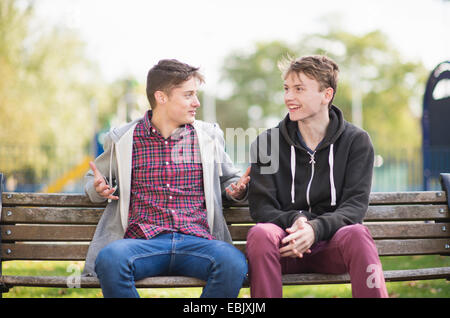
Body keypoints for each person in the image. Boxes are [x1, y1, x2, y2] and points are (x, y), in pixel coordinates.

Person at [83, 59, 249, 298]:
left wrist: (235, 190)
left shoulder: (208, 138)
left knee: (233, 262)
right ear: (161, 97)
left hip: (197, 242)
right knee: (110, 258)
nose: (196, 102)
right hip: (142, 244)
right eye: (188, 95)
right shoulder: (124, 139)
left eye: (196, 94)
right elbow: (93, 178)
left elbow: (228, 181)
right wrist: (98, 189)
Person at [246, 55, 388, 298]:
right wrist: (299, 221)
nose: (289, 97)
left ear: (326, 95)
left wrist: (315, 229)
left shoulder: (356, 141)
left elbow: (354, 207)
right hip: (284, 247)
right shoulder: (266, 143)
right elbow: (262, 207)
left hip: (332, 247)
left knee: (357, 233)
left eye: (299, 89)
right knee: (260, 233)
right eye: (287, 89)